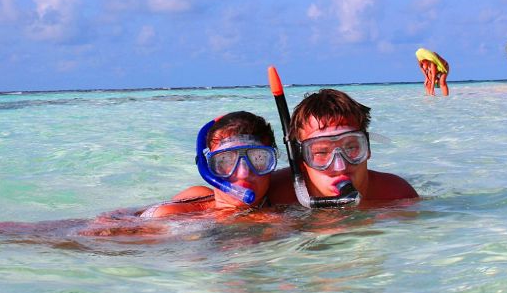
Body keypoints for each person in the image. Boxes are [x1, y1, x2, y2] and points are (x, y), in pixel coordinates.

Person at [268, 89, 418, 206]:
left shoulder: (397, 195)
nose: (340, 167)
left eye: (351, 148)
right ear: (301, 159)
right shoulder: (276, 195)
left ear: (367, 148)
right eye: (321, 152)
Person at [145, 111, 279, 219]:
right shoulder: (174, 218)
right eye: (226, 160)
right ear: (207, 166)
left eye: (258, 159)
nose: (243, 173)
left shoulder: (280, 195)